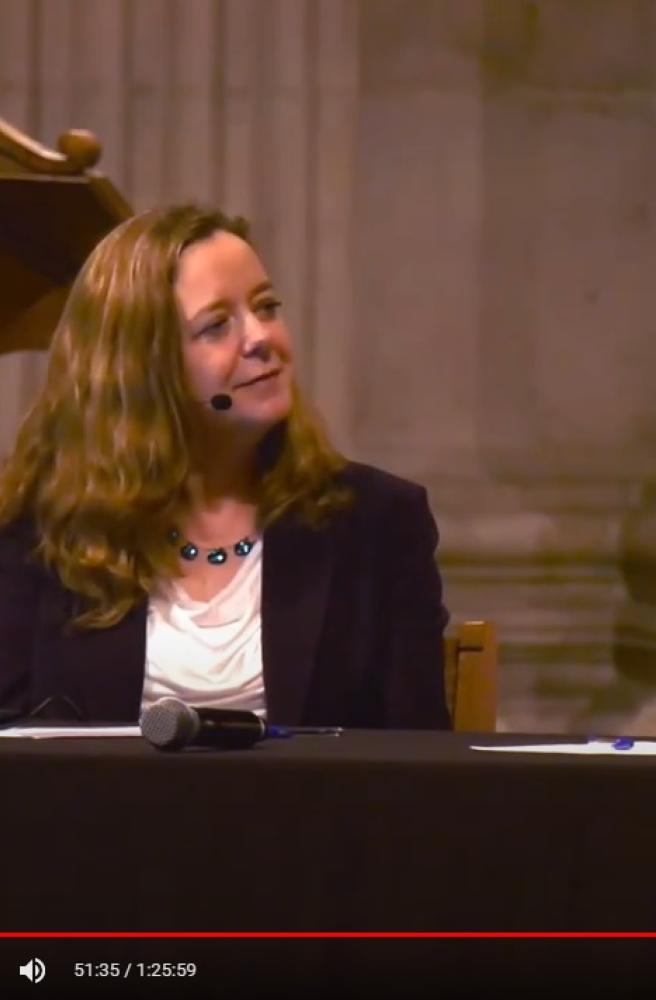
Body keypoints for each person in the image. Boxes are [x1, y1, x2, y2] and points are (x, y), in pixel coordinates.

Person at [0, 204, 450, 729]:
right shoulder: (38, 529)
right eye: (217, 326)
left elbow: (419, 757)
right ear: (141, 367)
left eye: (267, 306)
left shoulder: (377, 520)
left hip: (317, 812)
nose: (261, 338)